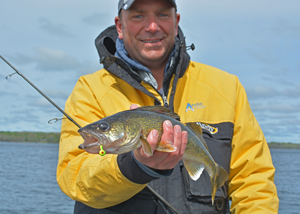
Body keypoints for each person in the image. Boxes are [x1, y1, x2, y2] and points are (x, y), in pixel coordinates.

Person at [57, 0, 279, 213]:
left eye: (162, 14)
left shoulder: (227, 87)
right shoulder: (90, 90)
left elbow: (254, 182)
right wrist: (134, 166)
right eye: (138, 15)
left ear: (176, 21)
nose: (152, 26)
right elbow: (74, 176)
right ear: (120, 26)